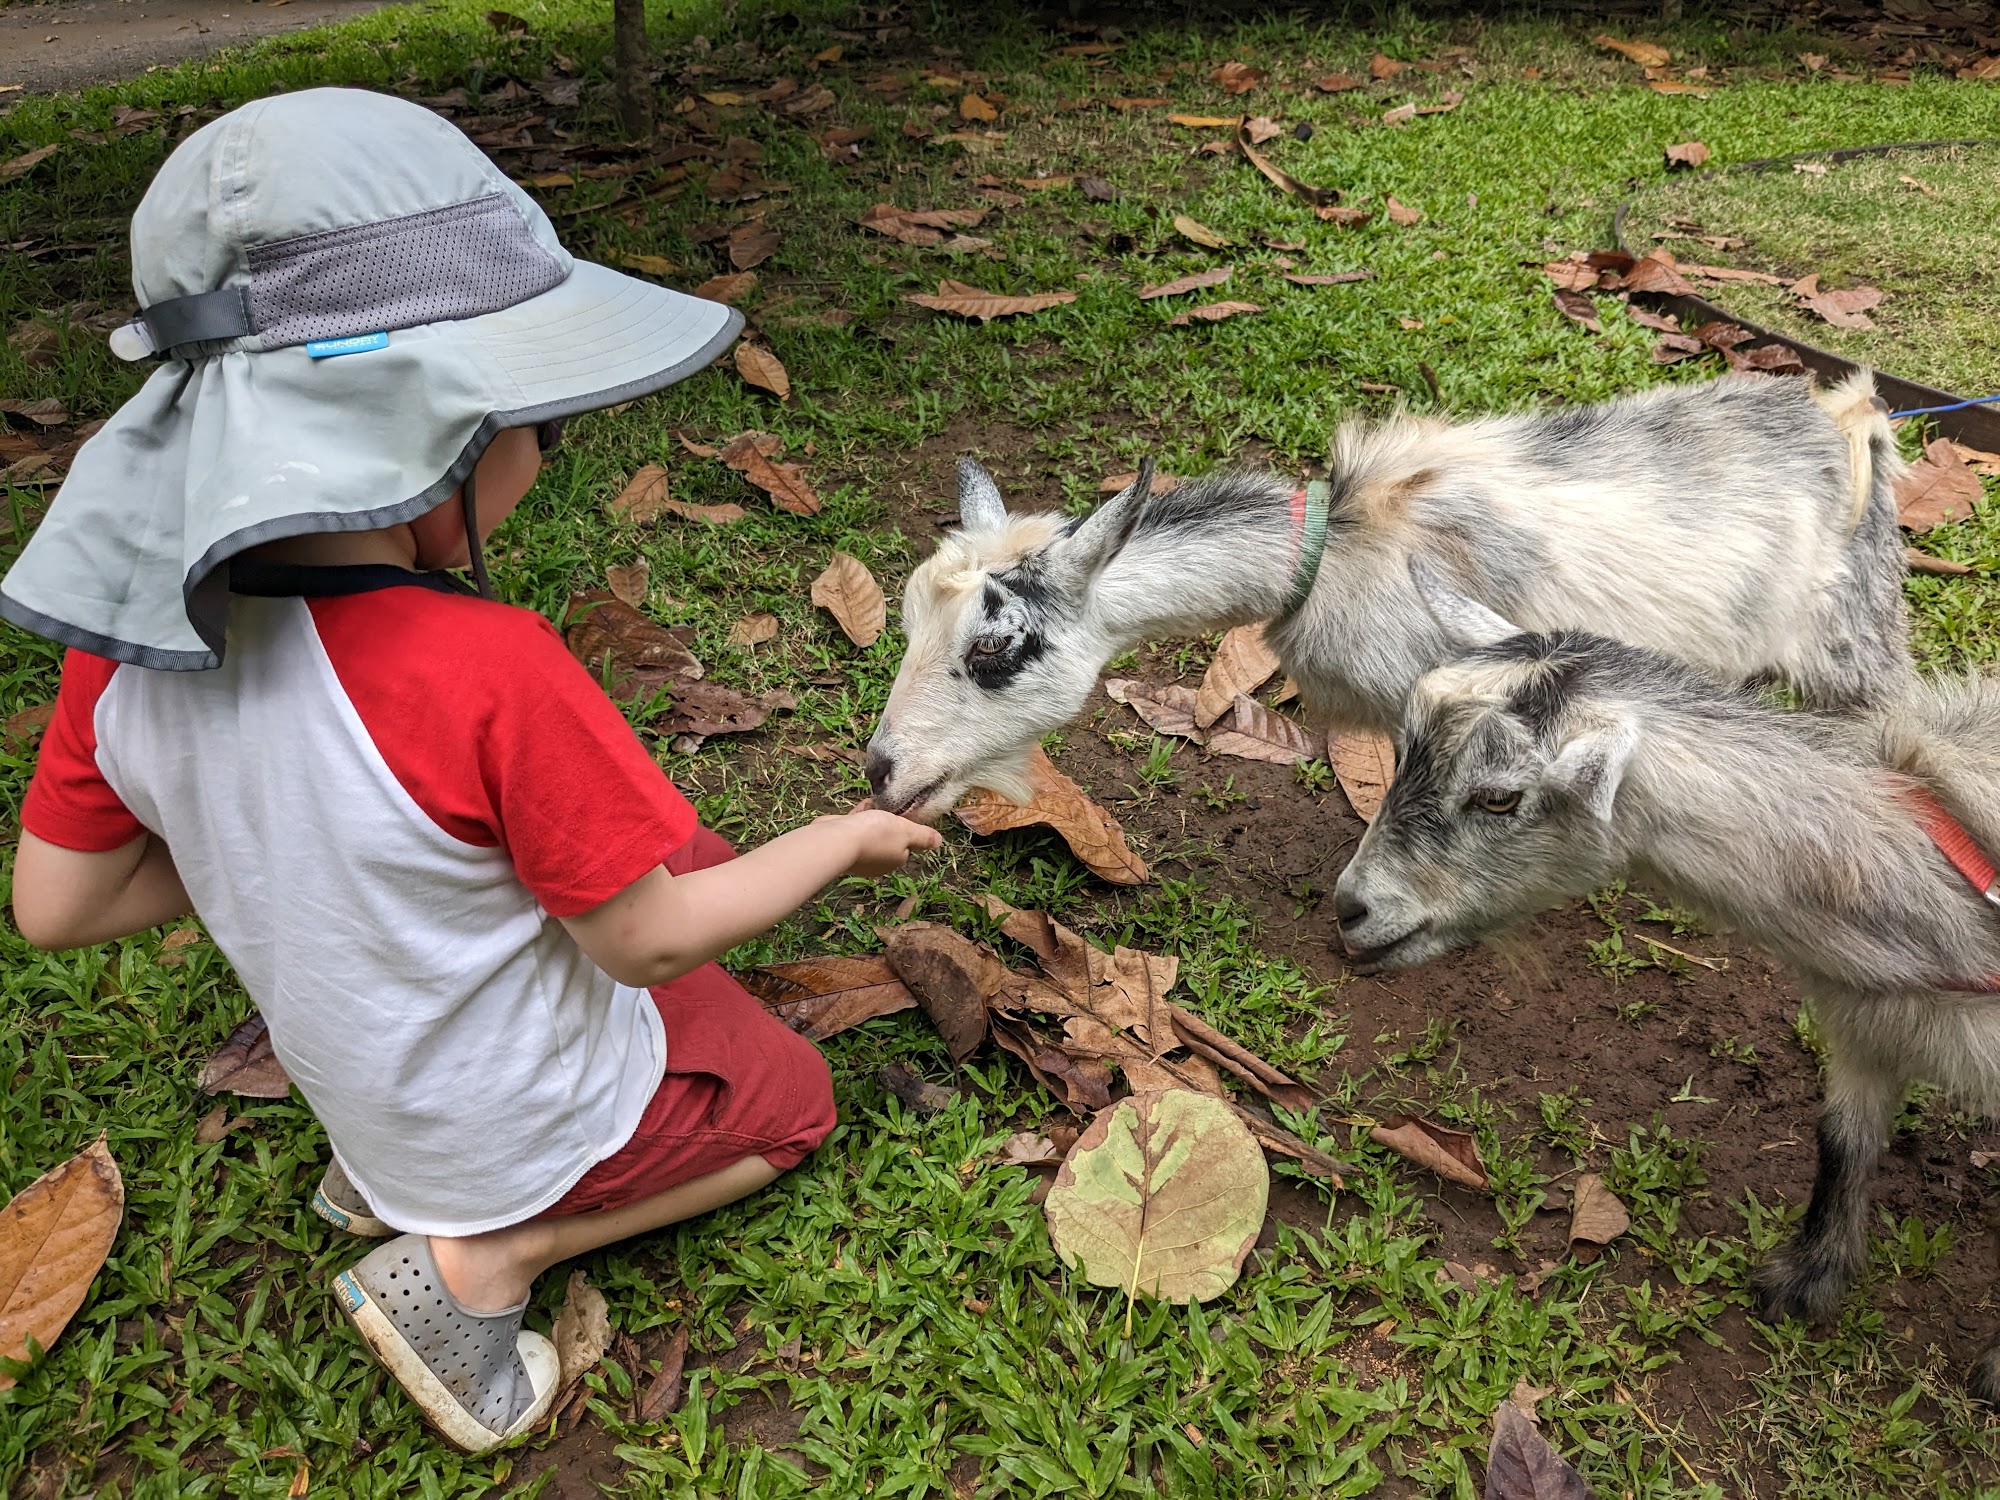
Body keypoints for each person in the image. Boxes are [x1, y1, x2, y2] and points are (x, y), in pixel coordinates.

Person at [2, 88, 939, 1453]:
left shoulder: (125, 652)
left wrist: (271, 835)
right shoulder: (486, 666)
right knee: (789, 1103)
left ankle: (388, 1186)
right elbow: (643, 944)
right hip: (508, 1123)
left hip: (369, 1100)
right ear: (423, 432)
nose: (541, 454)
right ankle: (487, 1260)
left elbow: (58, 906)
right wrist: (839, 841)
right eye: (536, 419)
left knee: (664, 850)